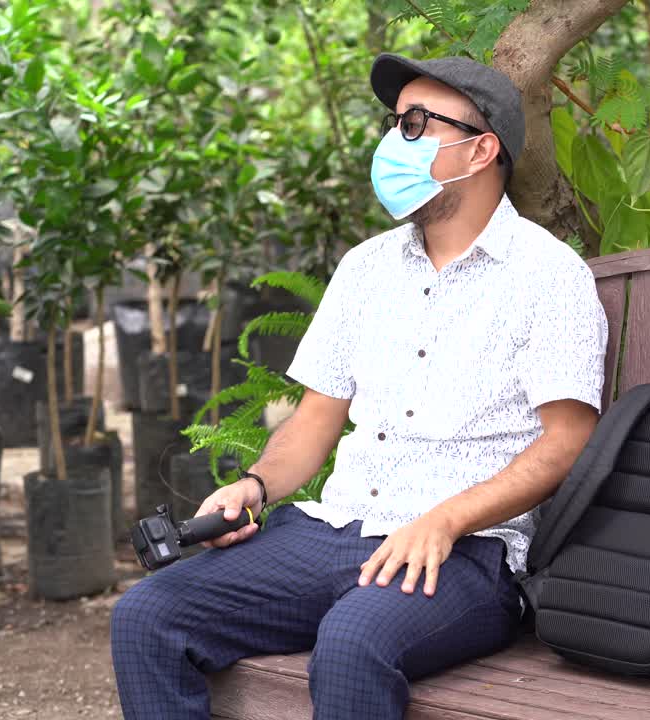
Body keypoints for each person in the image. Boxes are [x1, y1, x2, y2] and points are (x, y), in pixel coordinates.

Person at [110, 52, 608, 720]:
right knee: (147, 614)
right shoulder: (365, 269)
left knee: (350, 641)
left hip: (464, 553)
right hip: (334, 530)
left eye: (415, 125)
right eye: (394, 122)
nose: (391, 142)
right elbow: (315, 420)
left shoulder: (550, 277)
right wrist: (254, 487)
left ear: (481, 149)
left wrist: (447, 518)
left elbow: (568, 442)